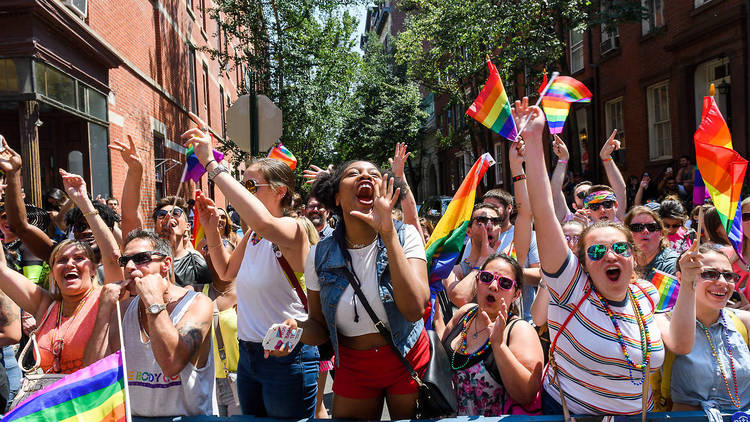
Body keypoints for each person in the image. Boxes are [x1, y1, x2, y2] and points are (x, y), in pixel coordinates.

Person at [513, 97, 694, 415]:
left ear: (633, 256)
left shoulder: (647, 294)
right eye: (597, 251)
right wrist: (534, 141)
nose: (610, 255)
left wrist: (691, 283)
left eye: (620, 248)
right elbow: (543, 212)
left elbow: (680, 344)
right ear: (582, 263)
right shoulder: (571, 287)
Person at [182, 126, 318, 419]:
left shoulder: (292, 229)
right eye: (243, 186)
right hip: (249, 357)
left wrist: (211, 165)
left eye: (251, 187)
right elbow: (226, 271)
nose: (244, 193)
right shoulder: (252, 236)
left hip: (287, 356)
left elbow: (265, 223)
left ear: (281, 191)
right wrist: (210, 229)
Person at [286, 161, 430, 420]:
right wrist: (293, 331)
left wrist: (388, 234)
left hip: (406, 358)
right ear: (337, 198)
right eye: (353, 173)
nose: (365, 175)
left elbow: (415, 309)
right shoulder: (319, 253)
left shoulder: (406, 235)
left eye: (374, 174)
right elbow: (318, 327)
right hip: (352, 367)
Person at [0, 169, 121, 375]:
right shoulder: (45, 306)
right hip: (54, 404)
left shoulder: (108, 298)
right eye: (61, 260)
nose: (69, 264)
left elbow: (112, 258)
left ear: (93, 269)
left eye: (79, 259)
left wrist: (83, 201)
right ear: (53, 271)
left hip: (95, 403)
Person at [83, 230, 216, 417]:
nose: (129, 266)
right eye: (124, 260)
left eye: (141, 258)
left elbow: (171, 365)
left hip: (185, 417)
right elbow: (92, 376)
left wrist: (153, 302)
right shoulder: (123, 309)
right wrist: (104, 311)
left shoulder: (198, 304)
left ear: (165, 265)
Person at [442, 253, 542, 415]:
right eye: (487, 277)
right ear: (477, 281)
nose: (494, 286)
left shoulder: (519, 330)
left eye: (504, 283)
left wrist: (499, 345)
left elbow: (527, 394)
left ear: (516, 294)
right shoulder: (464, 314)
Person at [112, 136, 210, 288]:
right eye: (161, 215)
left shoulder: (196, 262)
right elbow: (129, 214)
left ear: (187, 226)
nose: (168, 216)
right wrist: (135, 171)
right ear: (155, 225)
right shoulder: (144, 255)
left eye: (176, 213)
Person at [668, 244, 750, 414]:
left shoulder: (744, 322)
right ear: (681, 277)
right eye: (709, 274)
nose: (721, 282)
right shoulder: (662, 322)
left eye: (728, 276)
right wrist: (688, 285)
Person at [624, 206, 680, 282]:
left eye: (651, 227)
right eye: (637, 227)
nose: (645, 231)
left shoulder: (672, 264)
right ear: (626, 233)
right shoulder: (622, 261)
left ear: (661, 233)